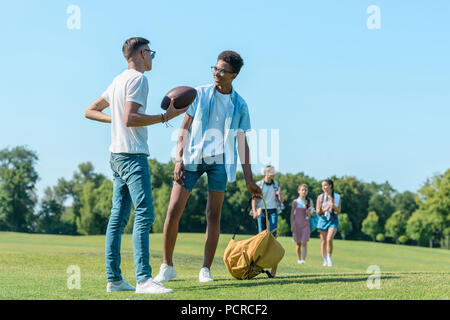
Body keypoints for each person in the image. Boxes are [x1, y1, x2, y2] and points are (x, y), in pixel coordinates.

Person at [85, 37, 187, 294]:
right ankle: (143, 279)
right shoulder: (139, 79)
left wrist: (115, 122)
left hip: (116, 156)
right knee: (144, 215)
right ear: (142, 53)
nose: (152, 57)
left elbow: (90, 110)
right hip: (132, 156)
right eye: (151, 53)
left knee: (117, 218)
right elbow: (130, 118)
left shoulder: (118, 80)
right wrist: (165, 117)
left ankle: (115, 279)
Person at [154, 51, 263, 283]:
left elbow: (243, 143)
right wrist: (178, 158)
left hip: (220, 163)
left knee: (214, 215)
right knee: (173, 210)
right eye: (214, 68)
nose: (216, 73)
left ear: (233, 75)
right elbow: (185, 125)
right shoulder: (199, 93)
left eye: (222, 70)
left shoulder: (240, 105)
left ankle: (205, 269)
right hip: (192, 159)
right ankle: (167, 266)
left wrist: (249, 180)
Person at [251, 165, 285, 237]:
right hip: (261, 210)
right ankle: (262, 248)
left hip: (273, 211)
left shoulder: (276, 184)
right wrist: (254, 211)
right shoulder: (259, 184)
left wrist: (279, 195)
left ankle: (270, 248)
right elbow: (253, 199)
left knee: (273, 232)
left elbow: (282, 200)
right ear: (265, 173)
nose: (273, 173)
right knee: (261, 233)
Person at [316, 179, 341, 267]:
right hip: (323, 219)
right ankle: (324, 260)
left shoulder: (337, 196)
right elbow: (318, 211)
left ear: (330, 186)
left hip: (333, 219)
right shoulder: (320, 197)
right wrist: (325, 209)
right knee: (323, 241)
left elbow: (339, 210)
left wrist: (333, 206)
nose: (324, 187)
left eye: (325, 185)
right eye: (322, 186)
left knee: (329, 239)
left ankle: (329, 258)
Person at [290, 184, 315, 264]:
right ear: (299, 191)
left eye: (306, 190)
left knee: (304, 242)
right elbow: (292, 215)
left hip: (306, 224)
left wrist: (309, 212)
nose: (304, 191)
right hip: (297, 224)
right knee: (298, 243)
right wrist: (292, 225)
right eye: (302, 190)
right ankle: (299, 259)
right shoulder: (295, 202)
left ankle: (303, 260)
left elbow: (313, 214)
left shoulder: (310, 201)